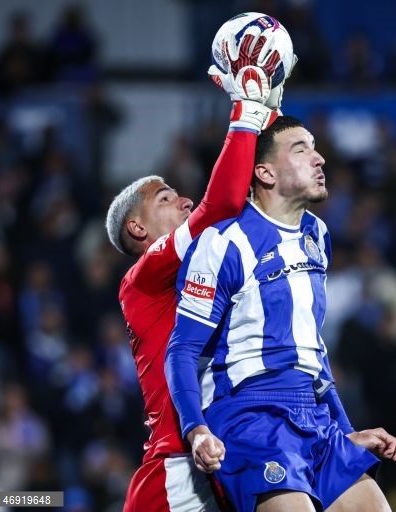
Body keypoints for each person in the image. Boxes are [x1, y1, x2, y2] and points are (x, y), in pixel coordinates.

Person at [165, 115, 396, 512]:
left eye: (315, 147)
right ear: (265, 173)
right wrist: (196, 430)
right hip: (250, 416)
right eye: (301, 149)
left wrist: (345, 432)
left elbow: (313, 348)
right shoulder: (225, 242)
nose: (319, 158)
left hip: (313, 414)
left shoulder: (317, 236)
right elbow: (182, 349)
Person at [105, 29, 285, 511]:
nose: (185, 200)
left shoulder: (210, 265)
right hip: (175, 472)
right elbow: (221, 202)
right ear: (139, 230)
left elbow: (248, 204)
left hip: (224, 454)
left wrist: (266, 118)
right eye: (167, 199)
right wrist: (243, 113)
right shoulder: (143, 278)